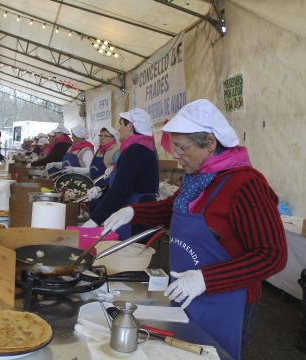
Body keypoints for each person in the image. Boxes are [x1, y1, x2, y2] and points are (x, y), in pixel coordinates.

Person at [100, 99, 287, 360]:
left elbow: (272, 255)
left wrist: (205, 280)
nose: (175, 155)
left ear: (210, 143)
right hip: (186, 290)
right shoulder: (198, 178)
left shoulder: (246, 184)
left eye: (180, 147)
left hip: (228, 302)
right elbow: (172, 209)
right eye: (172, 146)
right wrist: (132, 211)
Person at [82, 108, 159, 240]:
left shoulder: (137, 150)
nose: (118, 128)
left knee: (128, 257)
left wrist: (95, 220)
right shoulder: (140, 147)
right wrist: (103, 189)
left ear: (130, 126)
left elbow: (121, 189)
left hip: (134, 217)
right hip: (131, 211)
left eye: (121, 124)